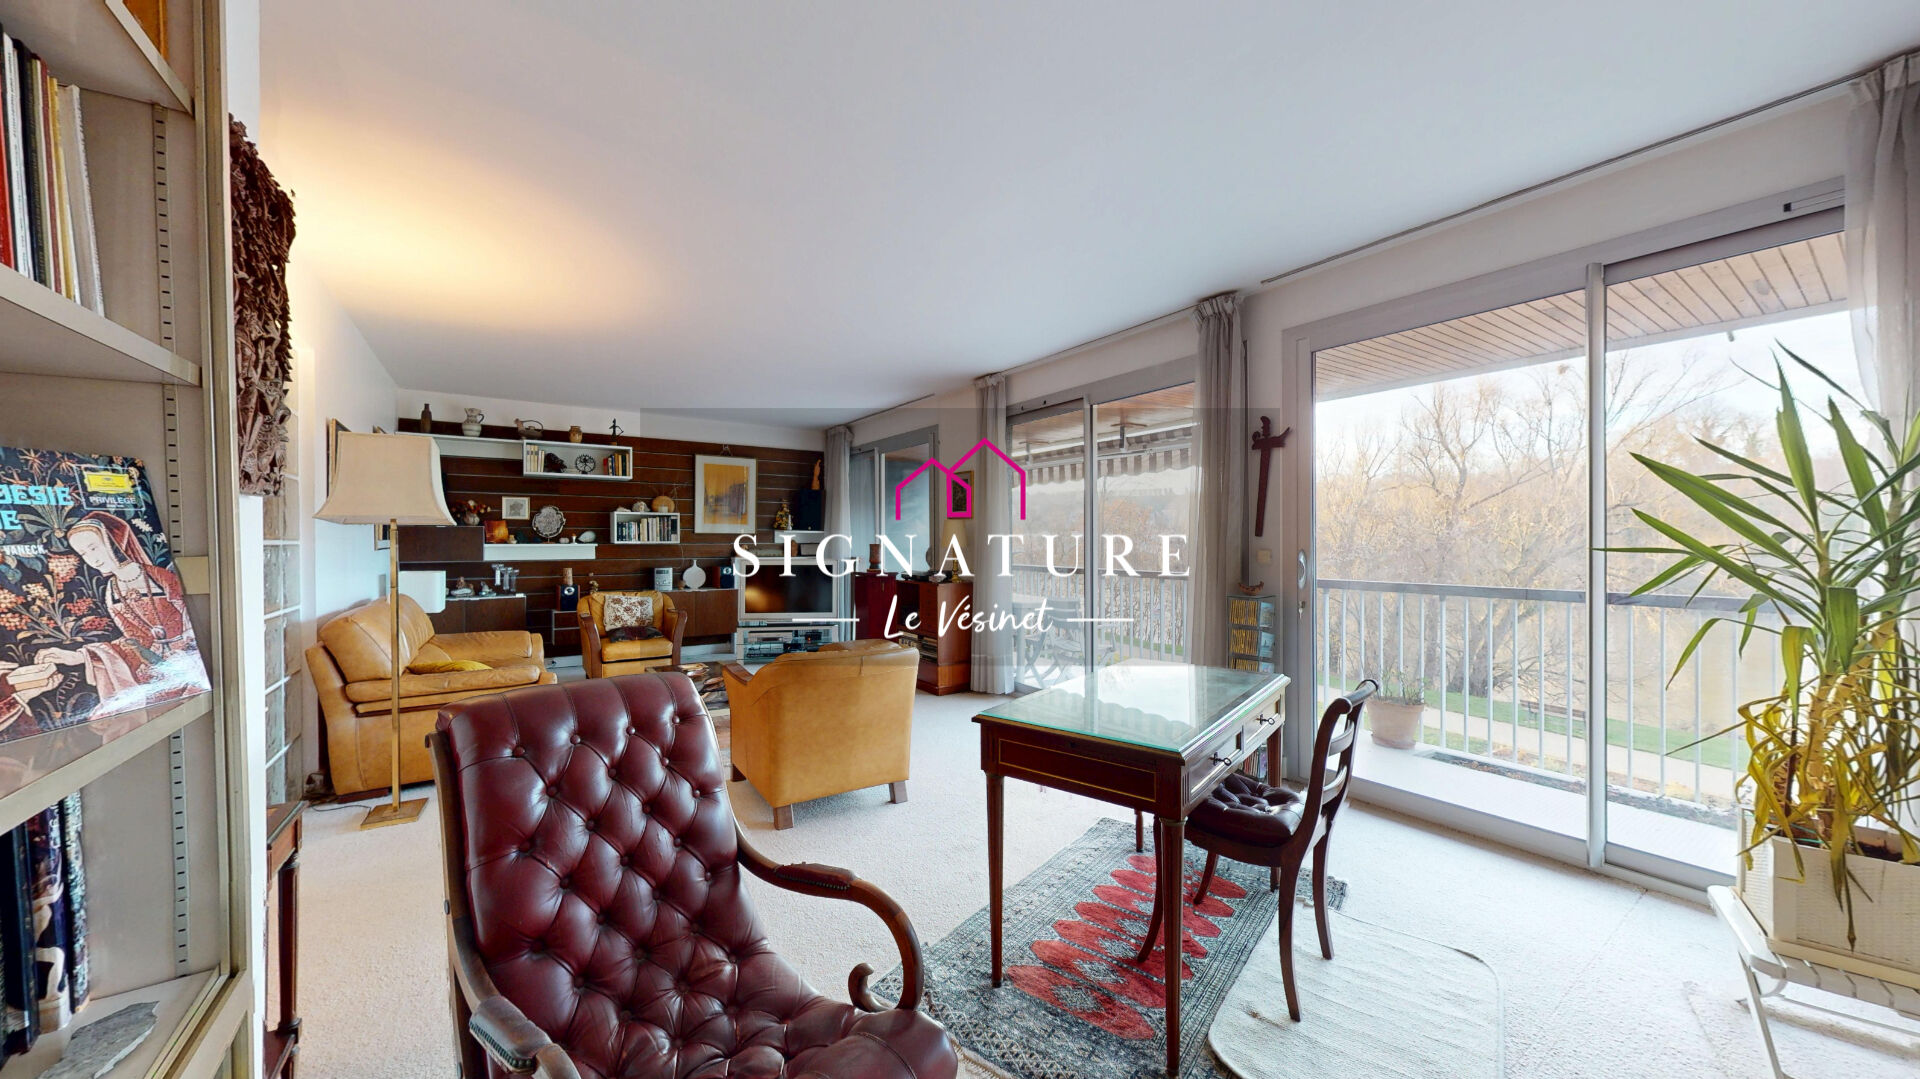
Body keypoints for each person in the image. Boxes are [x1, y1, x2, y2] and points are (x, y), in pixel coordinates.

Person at [32, 513, 204, 714]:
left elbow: (189, 620)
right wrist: (80, 656)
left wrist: (183, 653)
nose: (93, 559)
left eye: (94, 548)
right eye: (84, 554)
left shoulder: (160, 577)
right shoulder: (112, 591)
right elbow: (133, 642)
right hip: (154, 671)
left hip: (189, 664)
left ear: (115, 540)